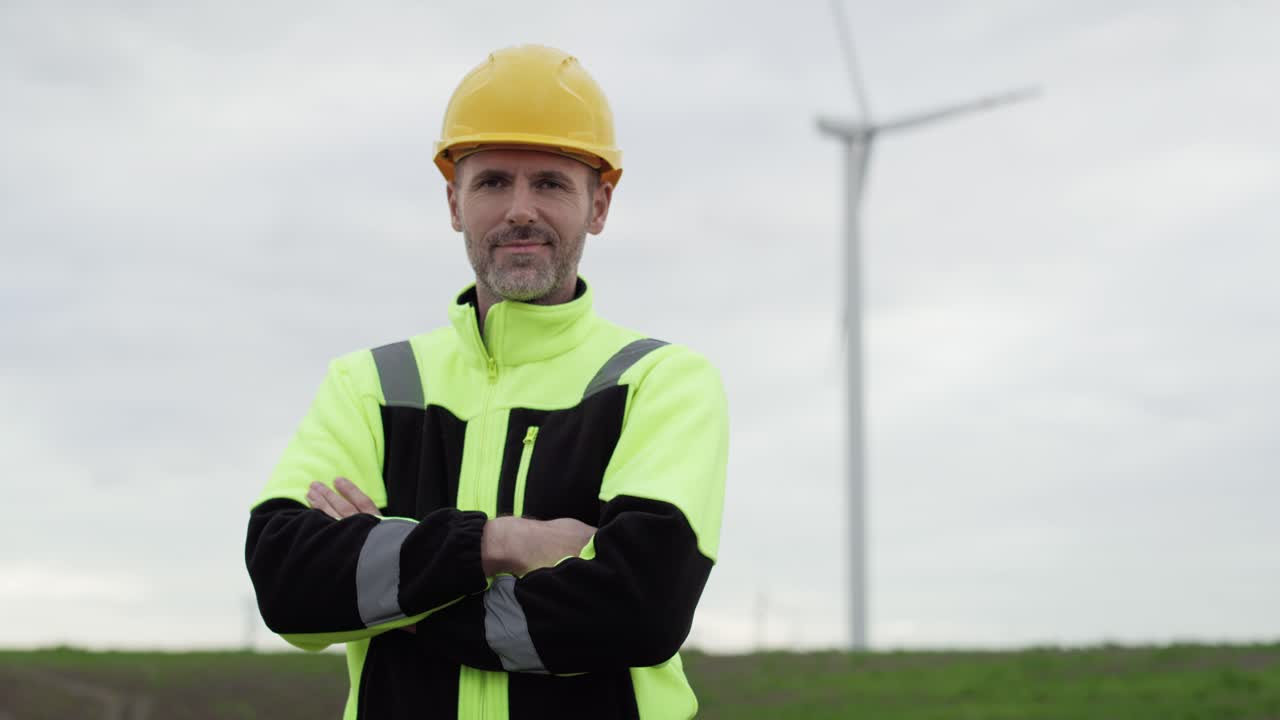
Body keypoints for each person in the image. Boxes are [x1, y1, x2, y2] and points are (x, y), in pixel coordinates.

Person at [244, 45, 729, 719]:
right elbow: (287, 584)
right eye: (494, 181)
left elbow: (637, 611)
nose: (520, 209)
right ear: (454, 201)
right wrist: (500, 544)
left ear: (601, 203)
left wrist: (398, 600)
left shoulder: (662, 383)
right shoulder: (370, 385)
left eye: (551, 183)